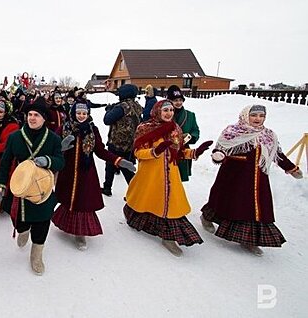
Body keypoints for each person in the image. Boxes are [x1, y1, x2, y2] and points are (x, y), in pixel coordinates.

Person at [200, 104, 303, 256]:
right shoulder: (233, 131)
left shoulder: (268, 135)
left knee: (255, 209)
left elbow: (277, 154)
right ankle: (206, 217)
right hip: (233, 177)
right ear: (246, 115)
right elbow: (221, 148)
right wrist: (218, 155)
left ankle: (249, 240)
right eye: (254, 115)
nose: (258, 119)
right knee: (223, 201)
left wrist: (291, 168)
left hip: (258, 179)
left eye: (261, 116)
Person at [123, 100, 213, 256]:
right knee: (147, 200)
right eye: (165, 110)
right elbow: (137, 153)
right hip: (150, 175)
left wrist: (195, 153)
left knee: (171, 207)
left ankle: (168, 239)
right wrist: (155, 151)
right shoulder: (144, 128)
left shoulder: (176, 129)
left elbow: (179, 153)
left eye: (171, 110)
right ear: (157, 111)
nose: (169, 113)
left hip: (171, 175)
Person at [0, 97, 64, 275]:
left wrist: (48, 161)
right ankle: (23, 230)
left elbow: (61, 162)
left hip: (43, 188)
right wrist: (0, 185)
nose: (32, 118)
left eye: (36, 115)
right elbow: (5, 162)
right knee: (19, 219)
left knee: (42, 223)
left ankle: (36, 254)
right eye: (30, 114)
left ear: (44, 118)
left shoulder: (54, 139)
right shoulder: (15, 137)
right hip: (20, 186)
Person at [53, 103, 136, 250]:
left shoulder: (92, 130)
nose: (81, 116)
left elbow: (100, 151)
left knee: (83, 201)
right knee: (67, 199)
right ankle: (65, 224)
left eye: (84, 113)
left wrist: (118, 160)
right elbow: (52, 145)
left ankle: (80, 234)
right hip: (68, 171)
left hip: (86, 172)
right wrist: (60, 146)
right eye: (78, 113)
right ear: (73, 113)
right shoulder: (65, 128)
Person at [101, 84, 143, 196]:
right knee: (123, 166)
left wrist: (109, 110)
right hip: (131, 142)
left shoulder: (121, 107)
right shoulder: (137, 106)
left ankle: (136, 192)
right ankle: (107, 187)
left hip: (117, 142)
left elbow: (107, 120)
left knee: (115, 165)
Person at [167, 85, 200, 182]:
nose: (178, 103)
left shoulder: (190, 115)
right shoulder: (164, 115)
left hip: (183, 150)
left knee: (179, 179)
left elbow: (195, 130)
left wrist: (191, 137)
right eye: (175, 100)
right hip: (168, 150)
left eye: (180, 100)